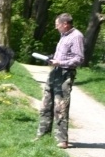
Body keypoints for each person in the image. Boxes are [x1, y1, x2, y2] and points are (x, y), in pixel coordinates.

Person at [35, 13, 85, 149]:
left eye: (57, 25)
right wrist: (52, 58)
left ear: (65, 24)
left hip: (65, 73)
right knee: (46, 103)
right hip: (55, 72)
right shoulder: (64, 36)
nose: (56, 28)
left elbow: (79, 58)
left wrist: (60, 62)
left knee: (60, 106)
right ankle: (43, 135)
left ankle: (62, 140)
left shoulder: (76, 36)